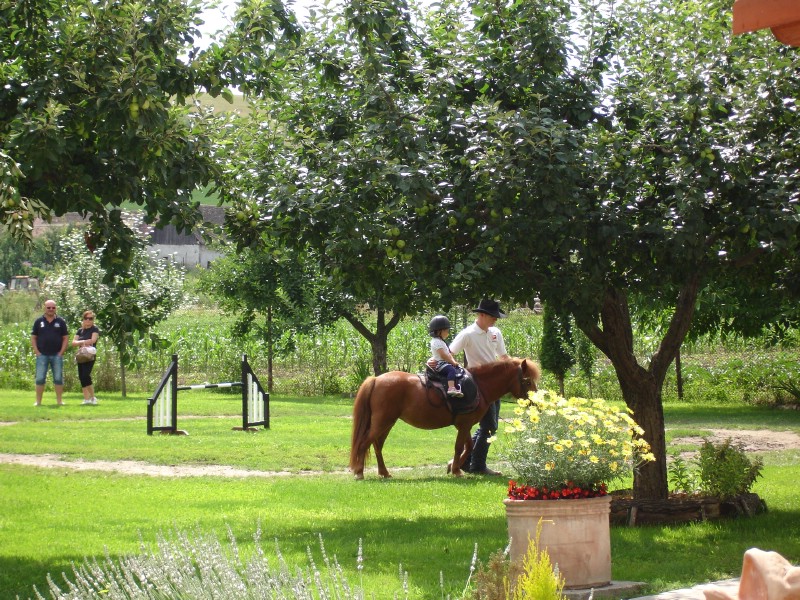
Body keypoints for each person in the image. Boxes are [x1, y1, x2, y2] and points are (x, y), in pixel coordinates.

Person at [445, 299, 510, 475]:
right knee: (489, 426)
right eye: (492, 316)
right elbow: (449, 353)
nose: (495, 319)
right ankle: (477, 466)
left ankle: (465, 461)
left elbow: (503, 357)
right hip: (477, 386)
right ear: (481, 315)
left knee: (489, 426)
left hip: (494, 387)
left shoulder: (496, 332)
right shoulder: (468, 334)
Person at [31, 300, 69, 406]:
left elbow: (65, 338)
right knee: (39, 379)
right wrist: (37, 352)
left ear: (56, 308)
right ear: (45, 308)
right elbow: (33, 337)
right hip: (42, 355)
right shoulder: (38, 321)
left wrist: (61, 352)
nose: (51, 309)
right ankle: (38, 402)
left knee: (58, 378)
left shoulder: (61, 321)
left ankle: (59, 401)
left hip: (57, 355)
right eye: (49, 308)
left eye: (53, 308)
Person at [427, 315, 463, 397]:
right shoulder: (436, 342)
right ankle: (451, 388)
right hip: (440, 364)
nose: (448, 333)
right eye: (446, 330)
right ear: (439, 331)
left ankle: (457, 387)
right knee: (451, 370)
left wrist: (454, 362)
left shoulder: (441, 342)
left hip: (444, 363)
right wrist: (452, 362)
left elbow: (449, 355)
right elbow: (443, 355)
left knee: (456, 369)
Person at [72, 310, 100, 405]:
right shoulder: (80, 330)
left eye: (90, 318)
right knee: (81, 377)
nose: (88, 320)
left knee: (86, 375)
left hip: (89, 355)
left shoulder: (94, 329)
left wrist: (80, 342)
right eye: (86, 318)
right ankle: (86, 399)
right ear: (83, 319)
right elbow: (73, 343)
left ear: (93, 320)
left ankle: (93, 397)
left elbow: (93, 340)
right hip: (81, 355)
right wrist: (84, 342)